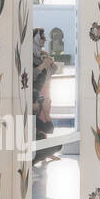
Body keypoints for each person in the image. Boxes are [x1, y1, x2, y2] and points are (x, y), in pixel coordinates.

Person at [31, 28, 61, 163]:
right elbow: (32, 74)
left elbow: (53, 70)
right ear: (36, 39)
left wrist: (48, 59)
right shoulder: (30, 55)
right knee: (38, 119)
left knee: (44, 116)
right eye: (42, 38)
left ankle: (44, 150)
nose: (44, 40)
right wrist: (43, 64)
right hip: (35, 92)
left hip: (44, 90)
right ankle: (39, 151)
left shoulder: (39, 55)